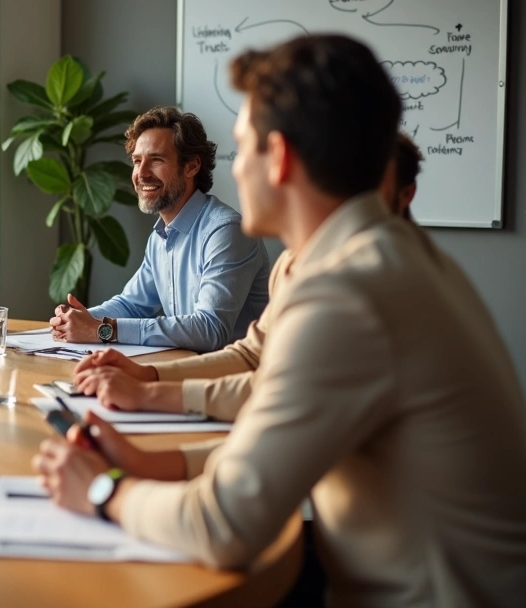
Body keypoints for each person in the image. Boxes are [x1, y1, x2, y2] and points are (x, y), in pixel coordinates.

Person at [33, 35, 526, 606]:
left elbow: (222, 525)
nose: (237, 168)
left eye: (243, 148)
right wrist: (148, 456)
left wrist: (101, 488)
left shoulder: (347, 295)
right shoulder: (367, 255)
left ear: (282, 156)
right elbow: (273, 414)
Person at [74, 131, 424, 421]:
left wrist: (147, 388)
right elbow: (251, 356)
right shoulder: (296, 263)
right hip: (229, 400)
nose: (241, 170)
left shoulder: (359, 279)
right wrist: (91, 325)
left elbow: (270, 397)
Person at [49, 107, 270, 352]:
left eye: (156, 160)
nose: (141, 173)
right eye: (136, 161)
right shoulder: (161, 235)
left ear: (192, 166)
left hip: (238, 382)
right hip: (185, 372)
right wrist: (79, 319)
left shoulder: (225, 231)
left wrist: (103, 329)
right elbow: (132, 305)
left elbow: (210, 329)